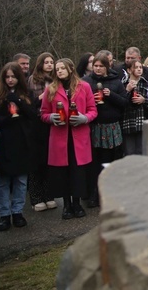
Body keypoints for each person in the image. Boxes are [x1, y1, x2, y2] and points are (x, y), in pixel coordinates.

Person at [40, 58, 97, 220]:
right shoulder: (51, 89)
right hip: (60, 137)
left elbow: (93, 110)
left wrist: (84, 118)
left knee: (77, 171)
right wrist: (51, 117)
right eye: (57, 69)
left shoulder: (84, 86)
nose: (59, 71)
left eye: (62, 68)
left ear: (71, 69)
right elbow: (43, 113)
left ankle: (77, 203)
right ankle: (66, 205)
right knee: (62, 172)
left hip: (79, 136)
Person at [0, 62, 34, 231]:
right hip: (4, 142)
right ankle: (4, 214)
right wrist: (8, 119)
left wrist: (20, 103)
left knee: (21, 180)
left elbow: (32, 115)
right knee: (3, 181)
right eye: (7, 77)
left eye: (13, 77)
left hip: (22, 142)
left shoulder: (26, 94)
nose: (10, 80)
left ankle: (17, 211)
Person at [83, 52, 128, 208]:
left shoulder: (116, 81)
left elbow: (124, 102)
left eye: (101, 66)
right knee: (95, 162)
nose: (98, 69)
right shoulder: (86, 82)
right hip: (95, 126)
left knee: (110, 162)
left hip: (112, 126)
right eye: (95, 66)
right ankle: (94, 194)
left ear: (107, 67)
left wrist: (111, 95)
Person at [26, 52, 57, 211]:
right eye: (46, 62)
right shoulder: (32, 80)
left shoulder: (55, 80)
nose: (50, 65)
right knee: (36, 161)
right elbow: (29, 103)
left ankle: (49, 194)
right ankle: (36, 197)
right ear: (40, 64)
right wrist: (45, 96)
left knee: (49, 160)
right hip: (37, 123)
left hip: (52, 122)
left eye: (52, 62)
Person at [121, 60, 148, 156]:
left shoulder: (146, 83)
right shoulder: (122, 84)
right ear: (129, 70)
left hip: (142, 121)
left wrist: (144, 100)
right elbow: (119, 101)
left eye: (140, 67)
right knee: (129, 152)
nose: (139, 69)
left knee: (142, 151)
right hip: (128, 122)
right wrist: (127, 90)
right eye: (136, 67)